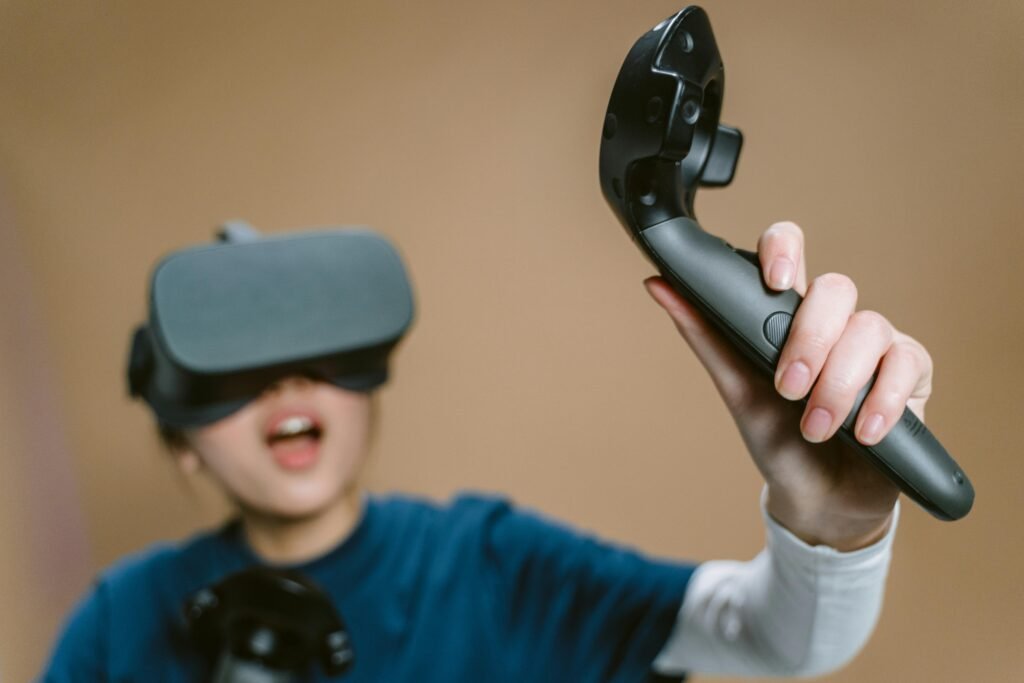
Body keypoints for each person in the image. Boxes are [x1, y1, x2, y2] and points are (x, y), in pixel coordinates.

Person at [41, 221, 924, 681]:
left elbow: (776, 638)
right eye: (233, 370)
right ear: (182, 441)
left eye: (321, 351)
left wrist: (834, 520)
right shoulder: (122, 622)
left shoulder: (489, 565)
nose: (284, 386)